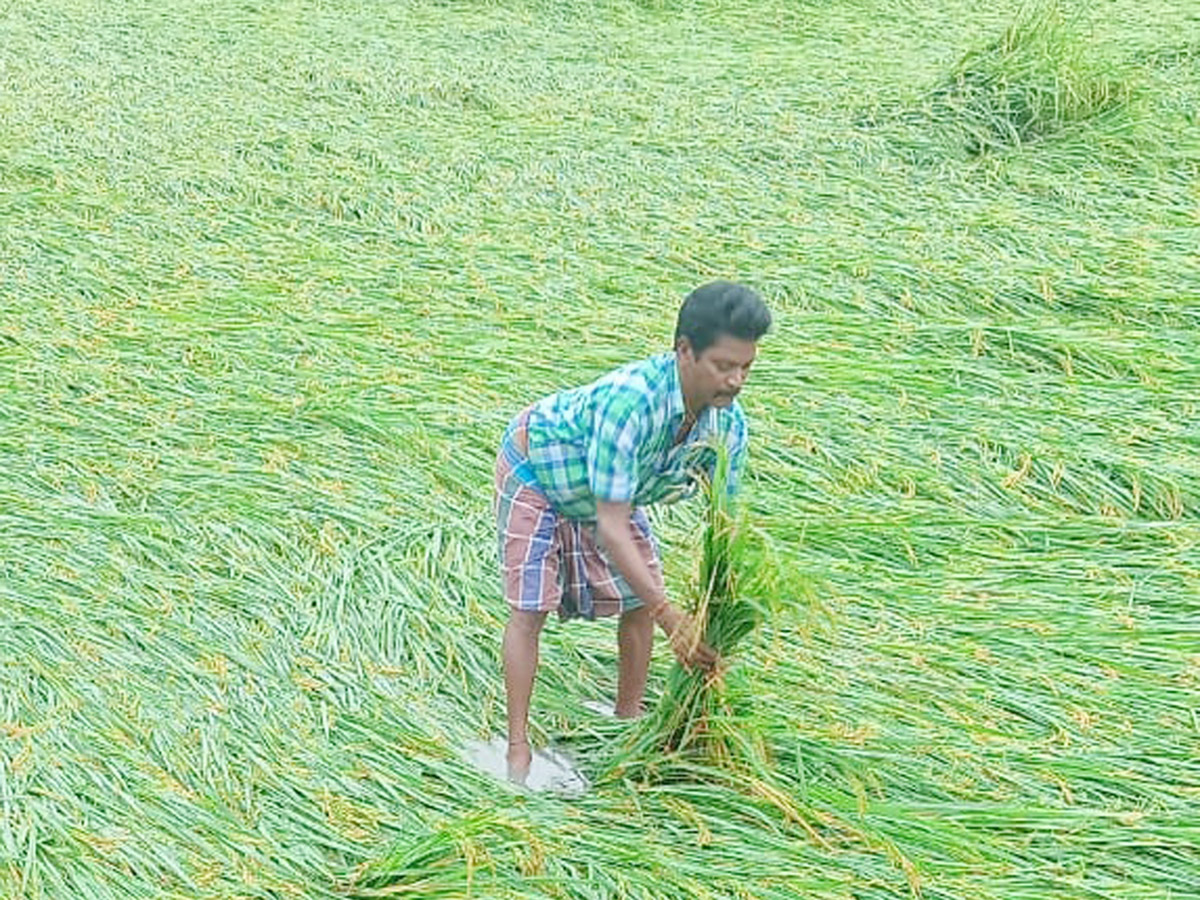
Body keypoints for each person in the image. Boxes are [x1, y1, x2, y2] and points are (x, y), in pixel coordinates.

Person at [494, 280, 771, 781]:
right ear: (684, 351)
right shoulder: (632, 403)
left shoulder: (729, 427)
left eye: (746, 367)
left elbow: (726, 523)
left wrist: (718, 609)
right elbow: (612, 525)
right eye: (724, 366)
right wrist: (672, 616)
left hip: (611, 494)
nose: (736, 381)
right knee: (531, 605)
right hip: (540, 470)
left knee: (639, 600)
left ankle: (628, 720)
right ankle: (517, 750)